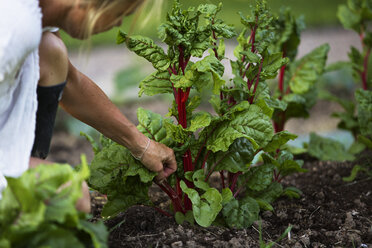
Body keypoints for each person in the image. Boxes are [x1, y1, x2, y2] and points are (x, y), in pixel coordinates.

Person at [0, 0, 177, 211]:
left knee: (50, 50)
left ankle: (24, 176)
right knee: (70, 194)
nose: (118, 22)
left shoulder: (38, 11)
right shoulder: (12, 28)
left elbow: (70, 83)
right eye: (118, 13)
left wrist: (141, 145)